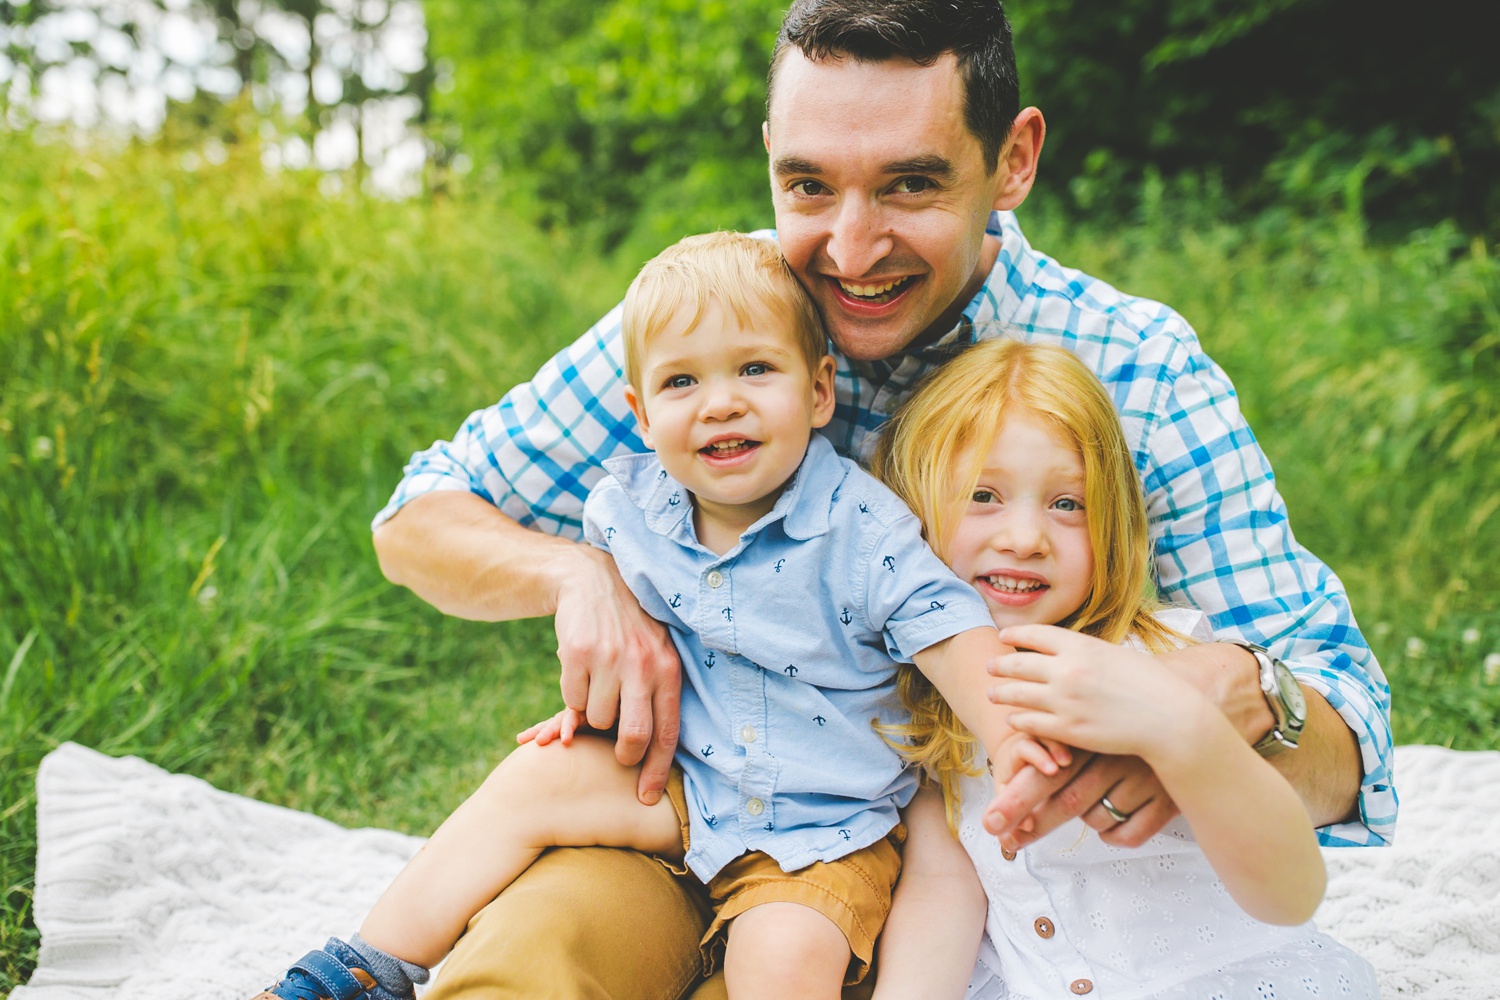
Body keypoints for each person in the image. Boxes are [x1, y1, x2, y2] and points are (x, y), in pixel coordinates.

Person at [370, 2, 1394, 996]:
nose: (851, 251)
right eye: (808, 186)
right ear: (769, 152)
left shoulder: (1136, 372)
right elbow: (421, 518)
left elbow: (1348, 735)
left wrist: (1233, 699)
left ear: (1014, 160)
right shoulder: (717, 333)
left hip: (923, 883)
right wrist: (575, 574)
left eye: (911, 185)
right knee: (535, 956)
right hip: (682, 815)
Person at [255, 233, 1065, 1000]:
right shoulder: (627, 512)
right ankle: (362, 969)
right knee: (534, 778)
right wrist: (590, 709)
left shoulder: (861, 528)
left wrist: (1014, 743)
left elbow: (948, 630)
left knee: (783, 960)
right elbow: (631, 636)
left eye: (754, 370)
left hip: (824, 825)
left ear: (818, 391)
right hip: (684, 780)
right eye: (684, 383)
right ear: (642, 415)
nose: (720, 405)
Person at [866, 339, 1378, 999]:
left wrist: (1190, 736)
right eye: (983, 495)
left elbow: (1291, 895)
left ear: (1112, 526)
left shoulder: (1158, 663)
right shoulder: (935, 707)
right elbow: (941, 888)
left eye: (1067, 505)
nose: (1026, 537)